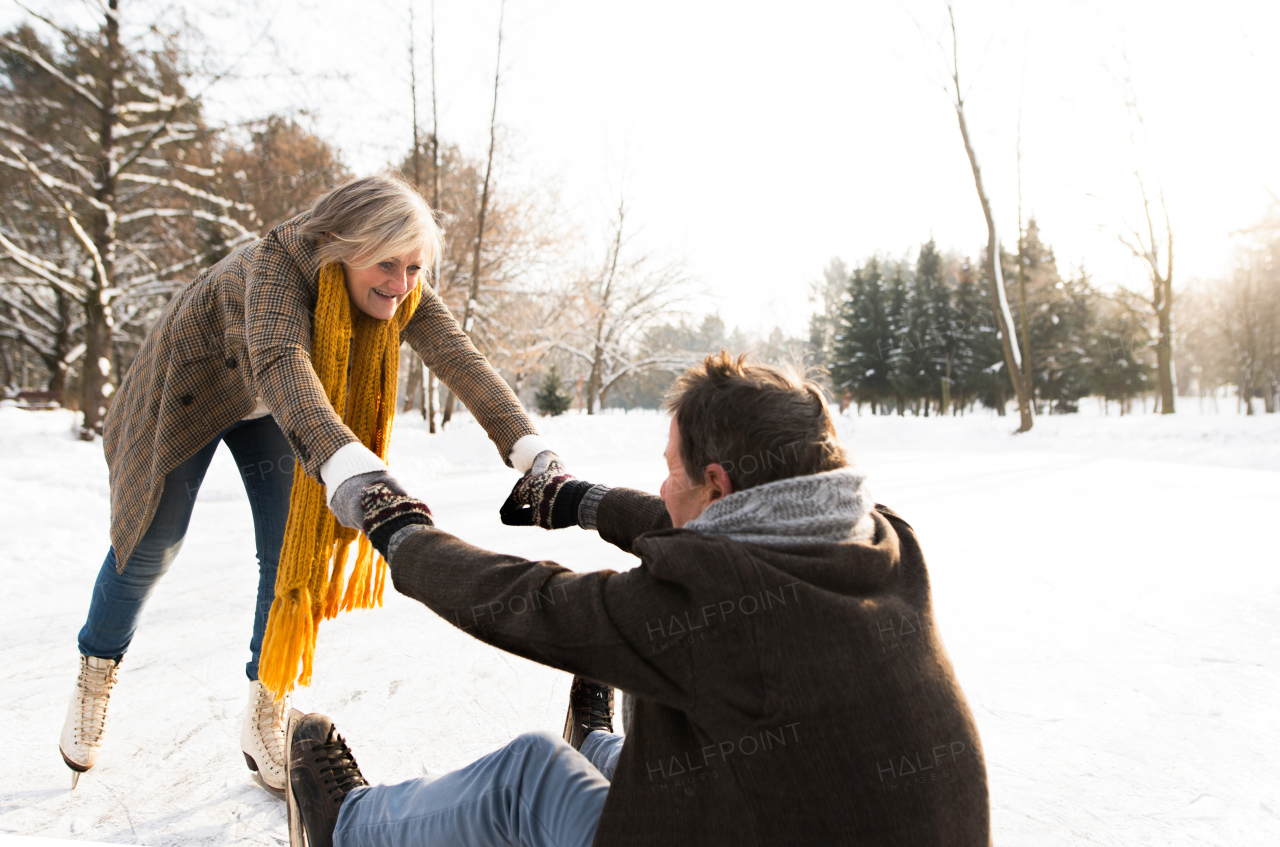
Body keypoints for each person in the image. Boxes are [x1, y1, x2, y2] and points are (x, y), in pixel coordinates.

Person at [285, 352, 991, 847]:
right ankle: (596, 745)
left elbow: (531, 601)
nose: (661, 488)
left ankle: (345, 826)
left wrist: (397, 526)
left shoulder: (709, 612)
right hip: (808, 812)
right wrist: (577, 500)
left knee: (529, 776)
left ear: (717, 483)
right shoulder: (882, 541)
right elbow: (718, 536)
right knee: (676, 749)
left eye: (670, 470)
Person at [59, 175, 560, 792]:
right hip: (191, 389)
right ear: (338, 242)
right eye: (386, 265)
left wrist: (529, 449)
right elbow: (282, 362)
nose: (401, 285)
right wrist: (350, 466)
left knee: (290, 552)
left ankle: (266, 706)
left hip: (273, 410)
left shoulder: (401, 286)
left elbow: (460, 357)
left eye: (413, 268)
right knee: (151, 545)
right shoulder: (274, 268)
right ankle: (96, 670)